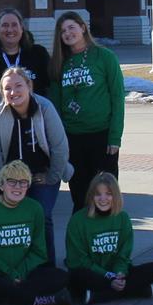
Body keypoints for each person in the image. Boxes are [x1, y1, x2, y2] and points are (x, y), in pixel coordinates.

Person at [0, 66, 71, 241]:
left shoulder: (45, 107)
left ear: (29, 86)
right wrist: (5, 183)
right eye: (7, 88)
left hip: (42, 173)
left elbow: (60, 147)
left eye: (18, 86)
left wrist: (52, 177)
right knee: (12, 220)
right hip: (11, 179)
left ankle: (47, 265)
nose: (13, 92)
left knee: (42, 216)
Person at [0, 160, 71, 305]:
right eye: (12, 182)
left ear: (28, 186)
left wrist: (19, 274)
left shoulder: (35, 208)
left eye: (23, 183)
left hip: (25, 273)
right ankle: (36, 300)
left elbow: (39, 251)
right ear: (1, 185)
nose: (17, 187)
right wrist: (9, 273)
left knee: (61, 277)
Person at [51, 11, 125, 212]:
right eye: (63, 31)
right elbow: (55, 106)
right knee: (80, 197)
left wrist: (115, 137)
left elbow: (118, 98)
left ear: (83, 27)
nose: (67, 33)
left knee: (104, 197)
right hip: (73, 139)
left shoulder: (104, 57)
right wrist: (60, 140)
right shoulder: (59, 63)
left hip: (101, 137)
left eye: (71, 27)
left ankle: (107, 238)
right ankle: (82, 239)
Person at [65, 173, 153, 304]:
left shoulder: (123, 218)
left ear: (115, 196)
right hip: (92, 272)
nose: (103, 198)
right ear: (91, 196)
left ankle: (99, 295)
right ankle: (136, 290)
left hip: (115, 272)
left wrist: (119, 273)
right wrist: (108, 277)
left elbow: (124, 254)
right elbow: (79, 259)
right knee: (76, 277)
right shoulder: (78, 220)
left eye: (108, 193)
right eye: (98, 194)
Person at [0, 6, 52, 96]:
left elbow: (49, 86)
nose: (10, 30)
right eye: (5, 25)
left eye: (14, 25)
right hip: (3, 109)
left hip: (36, 108)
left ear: (22, 29)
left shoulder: (38, 53)